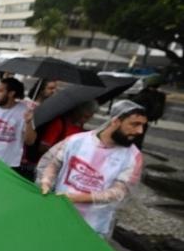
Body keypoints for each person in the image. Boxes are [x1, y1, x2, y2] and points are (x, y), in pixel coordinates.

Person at [37, 100, 146, 238]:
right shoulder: (76, 141)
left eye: (142, 125)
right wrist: (46, 182)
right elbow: (52, 164)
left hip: (92, 229)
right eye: (134, 124)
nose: (140, 131)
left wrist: (78, 198)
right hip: (56, 216)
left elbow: (119, 192)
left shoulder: (133, 157)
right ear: (116, 121)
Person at [130, 75, 166, 149]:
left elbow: (131, 104)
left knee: (132, 137)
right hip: (147, 120)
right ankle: (136, 152)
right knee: (139, 137)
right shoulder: (161, 95)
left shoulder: (144, 94)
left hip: (136, 118)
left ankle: (131, 151)